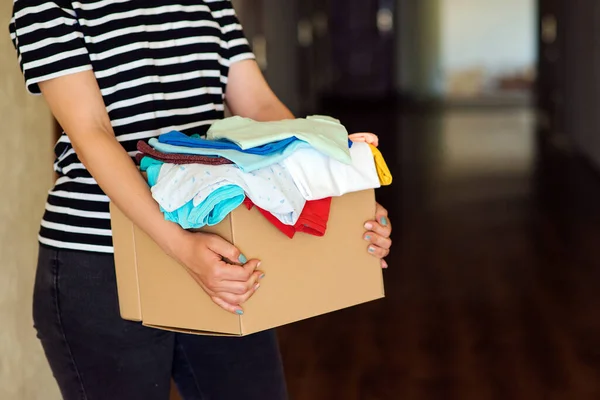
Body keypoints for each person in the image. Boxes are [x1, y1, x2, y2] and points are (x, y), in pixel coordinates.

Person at [9, 0, 393, 399]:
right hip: (101, 261)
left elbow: (261, 108)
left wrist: (345, 195)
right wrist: (179, 245)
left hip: (214, 239)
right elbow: (92, 131)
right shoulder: (48, 5)